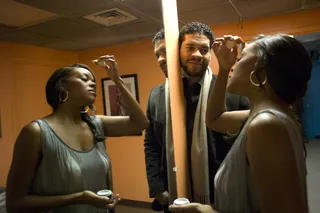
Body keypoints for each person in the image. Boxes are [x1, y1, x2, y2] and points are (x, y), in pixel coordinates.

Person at [169, 34, 311, 213]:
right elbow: (214, 119)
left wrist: (207, 212)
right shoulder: (265, 114)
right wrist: (223, 68)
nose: (234, 65)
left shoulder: (266, 124)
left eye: (240, 58)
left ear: (261, 70)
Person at [6, 55, 149, 213]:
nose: (93, 83)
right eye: (84, 79)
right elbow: (15, 203)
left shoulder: (96, 124)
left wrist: (117, 81)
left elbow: (140, 123)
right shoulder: (35, 132)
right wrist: (79, 197)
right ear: (63, 86)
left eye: (93, 80)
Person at [144, 23, 249, 213]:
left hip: (220, 195)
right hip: (173, 194)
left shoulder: (232, 90)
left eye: (204, 49)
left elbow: (248, 144)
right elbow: (151, 142)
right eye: (190, 48)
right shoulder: (156, 96)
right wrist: (157, 187)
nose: (197, 54)